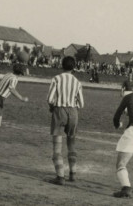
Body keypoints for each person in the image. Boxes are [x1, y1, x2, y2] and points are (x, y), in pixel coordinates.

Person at [47, 56, 85, 185]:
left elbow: (50, 99)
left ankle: (60, 177)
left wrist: (53, 107)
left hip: (59, 111)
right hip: (73, 112)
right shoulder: (77, 82)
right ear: (74, 67)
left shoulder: (56, 79)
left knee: (57, 146)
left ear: (62, 65)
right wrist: (73, 108)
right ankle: (73, 174)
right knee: (71, 144)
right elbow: (82, 103)